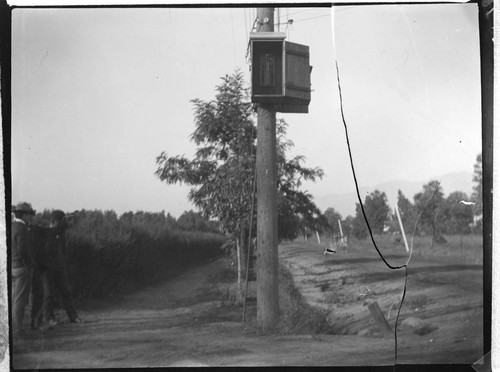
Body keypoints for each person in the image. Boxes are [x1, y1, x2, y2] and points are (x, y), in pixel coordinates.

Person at [31, 210, 81, 329]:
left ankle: (73, 317)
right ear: (55, 222)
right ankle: (49, 318)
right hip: (47, 268)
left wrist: (62, 262)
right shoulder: (46, 233)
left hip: (59, 267)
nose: (64, 224)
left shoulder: (61, 234)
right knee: (48, 293)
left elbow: (63, 250)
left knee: (65, 291)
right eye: (62, 221)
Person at [11, 202, 35, 338]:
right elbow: (22, 249)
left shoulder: (12, 226)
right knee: (20, 300)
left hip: (12, 267)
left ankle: (15, 328)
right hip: (21, 267)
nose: (30, 218)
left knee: (15, 298)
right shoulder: (22, 228)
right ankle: (18, 329)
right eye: (29, 215)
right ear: (24, 215)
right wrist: (28, 264)